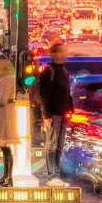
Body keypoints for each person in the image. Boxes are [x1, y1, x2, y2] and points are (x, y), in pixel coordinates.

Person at [35, 43, 73, 186]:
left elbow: (67, 93)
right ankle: (51, 176)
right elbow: (44, 96)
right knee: (51, 145)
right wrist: (46, 115)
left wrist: (70, 108)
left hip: (63, 114)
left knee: (59, 146)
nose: (65, 54)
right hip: (53, 115)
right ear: (54, 54)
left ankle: (56, 175)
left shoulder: (64, 70)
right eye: (62, 51)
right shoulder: (48, 72)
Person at [0, 57, 22, 186]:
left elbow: (2, 100)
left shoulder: (6, 80)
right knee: (4, 148)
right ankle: (6, 178)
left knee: (6, 148)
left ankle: (8, 178)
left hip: (5, 118)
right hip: (2, 117)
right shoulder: (2, 79)